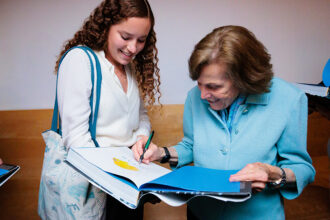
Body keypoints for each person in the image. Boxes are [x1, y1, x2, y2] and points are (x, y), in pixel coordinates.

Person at [132, 25, 315, 219]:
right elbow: (191, 146)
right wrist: (160, 153)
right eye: (199, 84)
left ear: (245, 77)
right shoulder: (196, 97)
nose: (202, 95)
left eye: (213, 86)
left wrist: (273, 173)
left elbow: (302, 168)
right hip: (200, 213)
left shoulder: (289, 99)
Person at [55, 0, 160, 219]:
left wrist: (141, 139)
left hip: (128, 184)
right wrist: (116, 177)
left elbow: (141, 117)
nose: (133, 48)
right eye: (125, 37)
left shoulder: (130, 67)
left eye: (141, 40)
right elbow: (76, 139)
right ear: (105, 26)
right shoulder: (80, 59)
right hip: (94, 186)